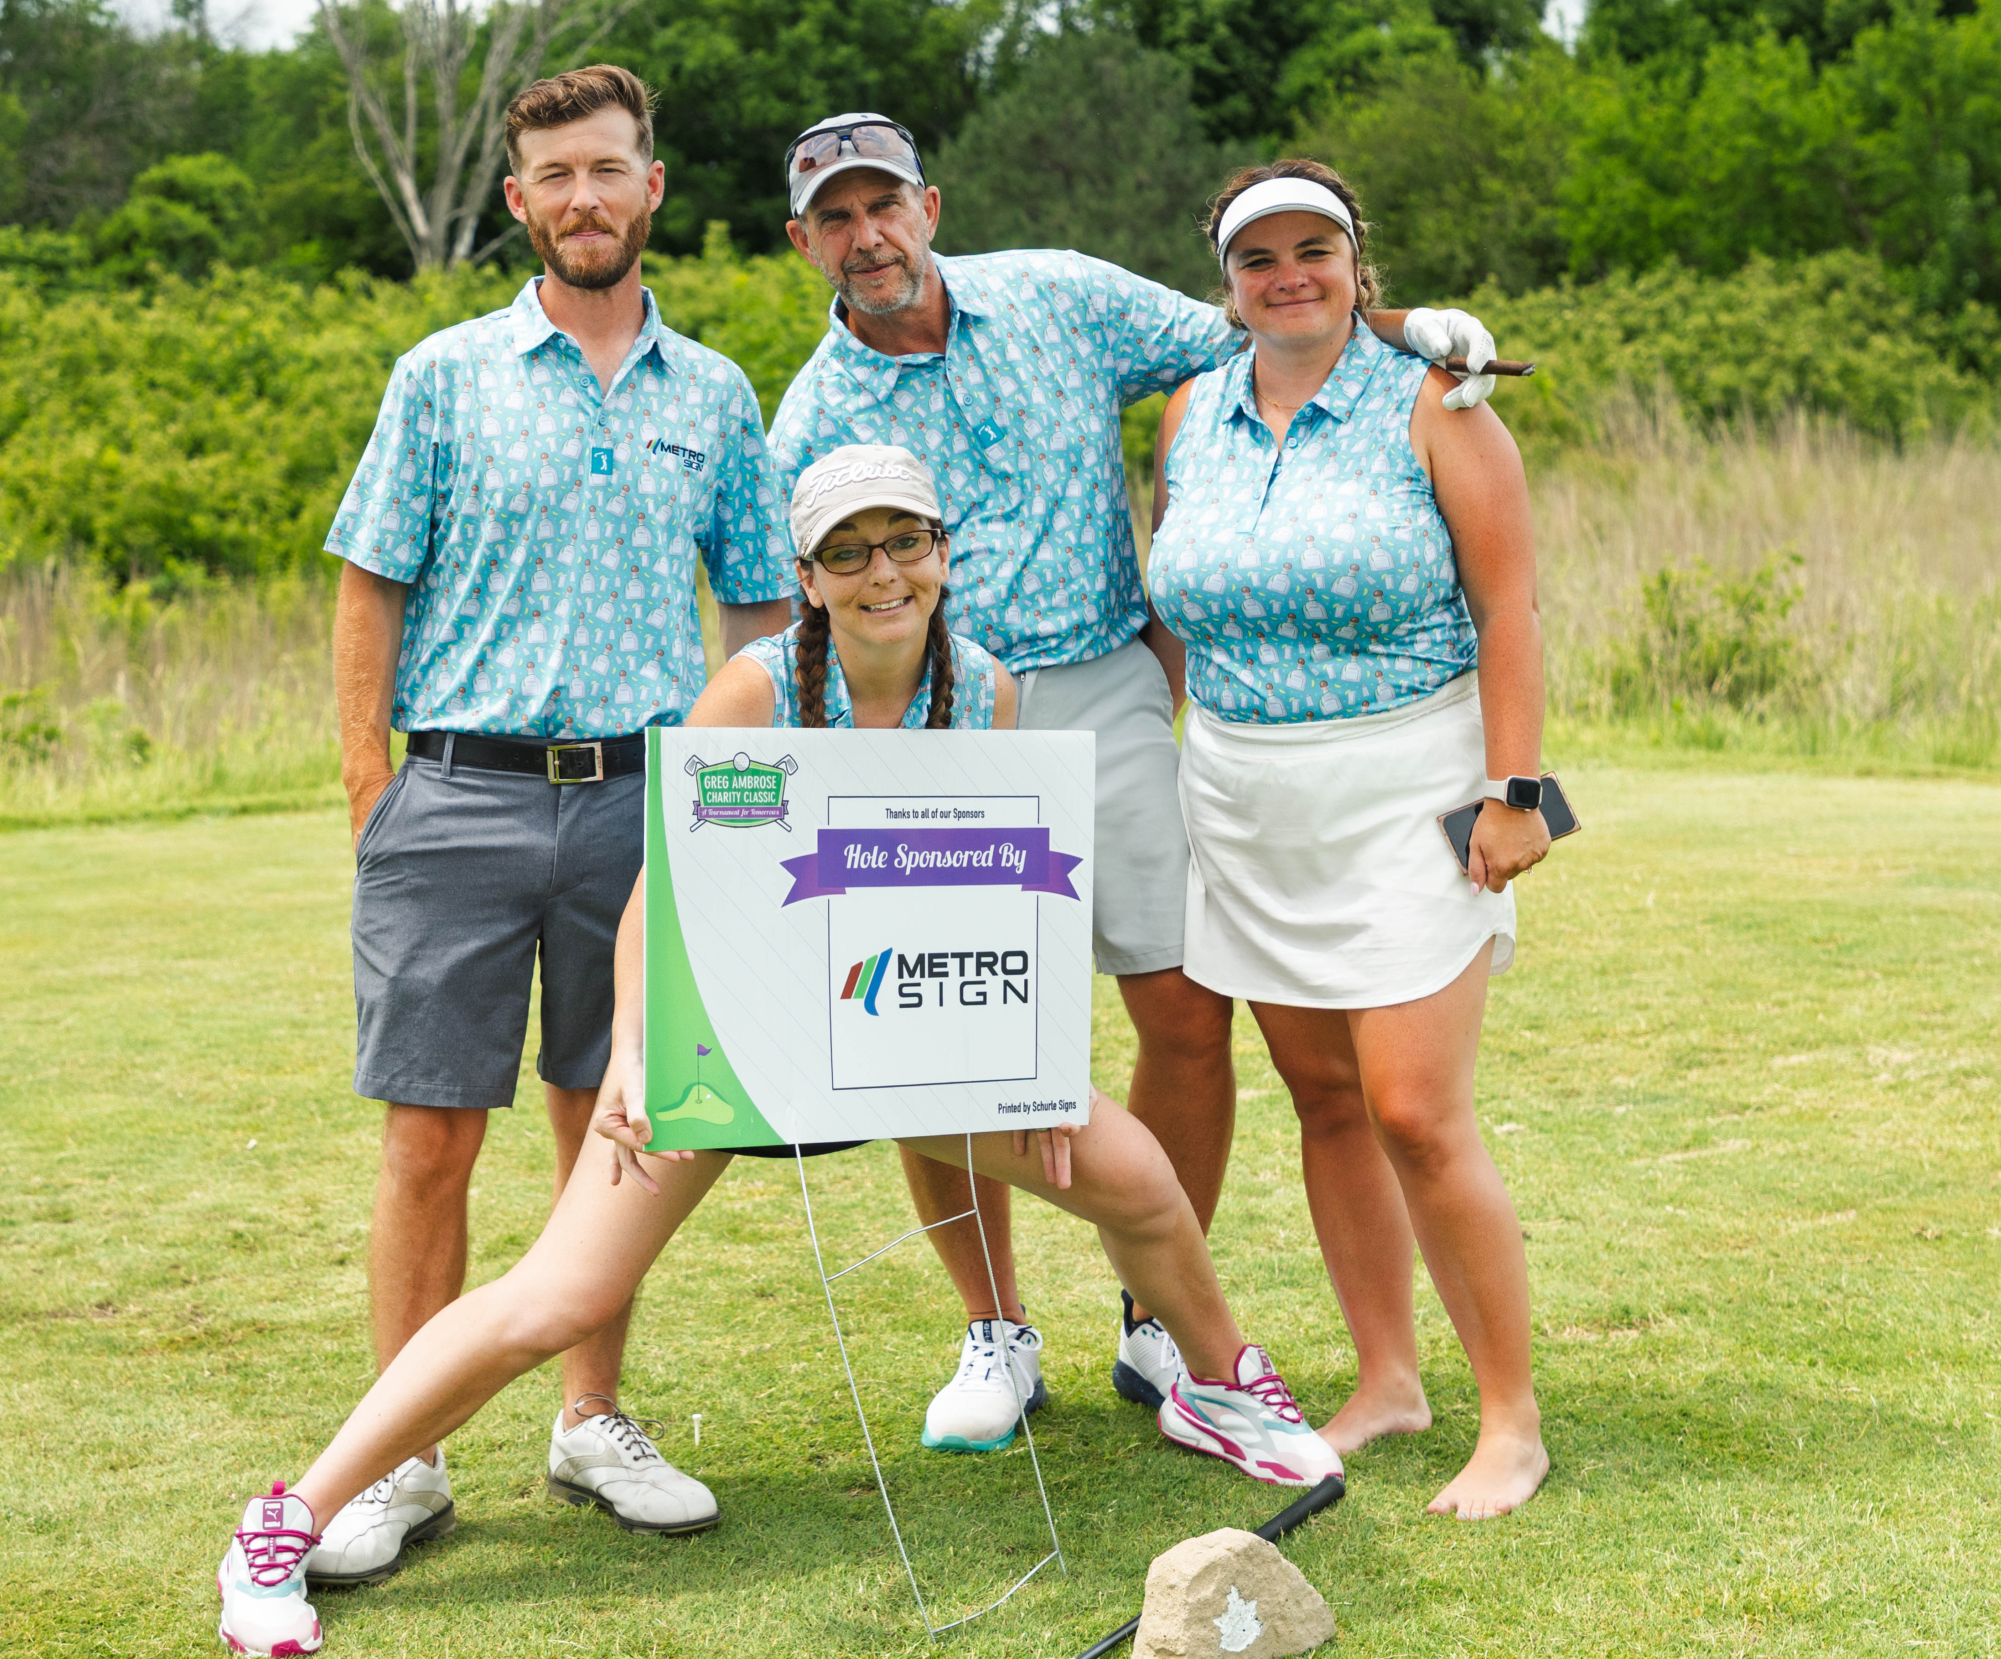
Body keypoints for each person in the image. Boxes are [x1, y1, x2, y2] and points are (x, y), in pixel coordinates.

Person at [215, 445, 1344, 1657]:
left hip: (895, 1039)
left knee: (1138, 1182)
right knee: (560, 1295)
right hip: (732, 1039)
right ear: (807, 577)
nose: (881, 573)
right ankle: (287, 1521)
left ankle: (1217, 1387)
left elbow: (1002, 895)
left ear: (942, 551)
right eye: (846, 553)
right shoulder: (752, 693)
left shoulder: (986, 690)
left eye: (903, 541)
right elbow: (659, 893)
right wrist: (634, 1053)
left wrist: (1029, 1065)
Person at [766, 111, 1508, 1454]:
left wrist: (1408, 330)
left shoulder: (1060, 296)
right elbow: (810, 600)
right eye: (835, 218)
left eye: (884, 205)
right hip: (936, 716)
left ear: (929, 206)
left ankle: (1154, 1313)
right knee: (937, 1036)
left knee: (1183, 1005)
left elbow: (1264, 323)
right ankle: (995, 1327)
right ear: (802, 240)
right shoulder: (813, 409)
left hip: (1105, 687)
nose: (867, 236)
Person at [312, 64, 793, 1586]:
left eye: (608, 168)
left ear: (653, 186)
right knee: (429, 1140)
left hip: (646, 801)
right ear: (519, 200)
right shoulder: (441, 374)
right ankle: (400, 1461)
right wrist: (370, 787)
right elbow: (371, 582)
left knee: (615, 1128)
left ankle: (593, 1418)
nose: (584, 197)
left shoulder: (714, 392)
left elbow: (761, 609)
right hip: (455, 794)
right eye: (556, 176)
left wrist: (752, 799)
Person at [1144, 159, 1554, 1520]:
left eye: (1312, 249)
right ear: (1228, 282)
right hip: (1245, 796)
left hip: (1409, 784)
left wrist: (1519, 791)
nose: (1288, 277)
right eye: (1258, 259)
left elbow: (1509, 608)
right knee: (1321, 1097)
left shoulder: (1440, 401)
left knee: (1414, 1111)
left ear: (1354, 260)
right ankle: (1388, 1379)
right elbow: (1182, 599)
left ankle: (1511, 1420)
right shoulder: (1194, 410)